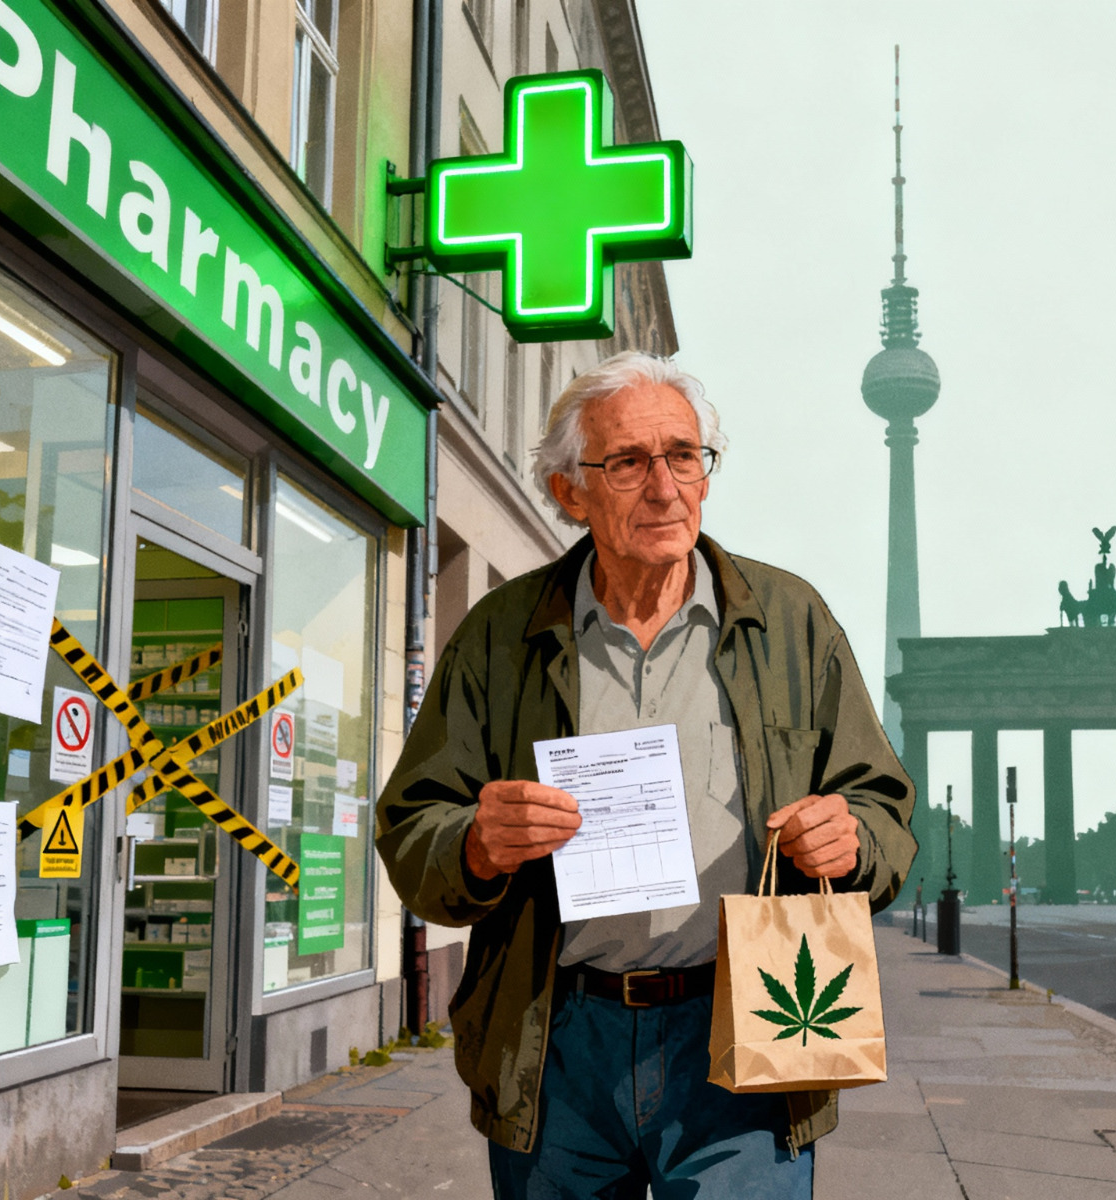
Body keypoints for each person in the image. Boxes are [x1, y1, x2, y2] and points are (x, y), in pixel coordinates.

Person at [377, 351, 917, 1199]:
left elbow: (883, 808)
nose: (665, 487)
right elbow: (413, 825)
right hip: (556, 1042)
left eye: (683, 456)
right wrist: (477, 846)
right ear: (569, 493)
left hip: (747, 1030)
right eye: (628, 462)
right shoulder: (499, 634)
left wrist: (850, 841)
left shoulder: (790, 623)